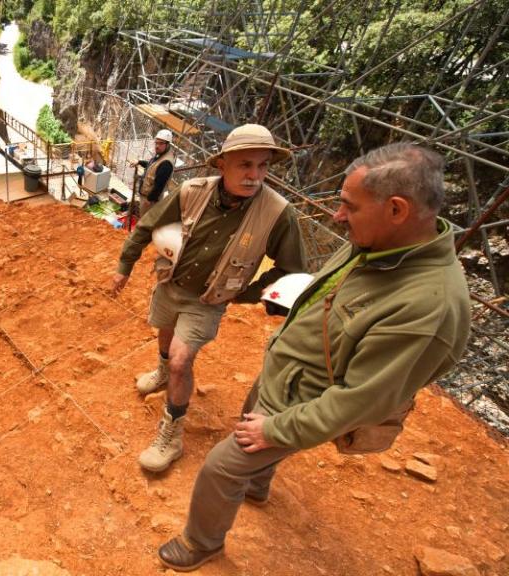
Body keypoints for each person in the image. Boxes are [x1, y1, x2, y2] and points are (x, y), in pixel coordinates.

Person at [156, 143, 472, 572]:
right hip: (286, 376)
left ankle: (202, 541)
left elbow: (362, 399)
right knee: (253, 429)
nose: (338, 217)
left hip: (301, 402)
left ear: (397, 209)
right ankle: (258, 485)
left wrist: (278, 429)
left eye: (349, 206)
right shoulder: (380, 243)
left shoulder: (428, 308)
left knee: (220, 467)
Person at [111, 123, 305, 473]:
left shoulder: (277, 213)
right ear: (222, 164)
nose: (254, 175)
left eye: (262, 166)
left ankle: (171, 436)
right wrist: (125, 265)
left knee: (182, 360)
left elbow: (291, 269)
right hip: (171, 284)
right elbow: (147, 224)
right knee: (165, 334)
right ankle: (162, 372)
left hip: (207, 302)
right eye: (245, 165)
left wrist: (244, 292)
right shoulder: (191, 191)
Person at [133, 129, 176, 215]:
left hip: (150, 200)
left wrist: (149, 200)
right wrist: (139, 162)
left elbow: (159, 185)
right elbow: (151, 166)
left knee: (144, 220)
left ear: (168, 144)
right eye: (156, 143)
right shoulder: (161, 155)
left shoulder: (166, 163)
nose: (157, 146)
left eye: (161, 143)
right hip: (146, 196)